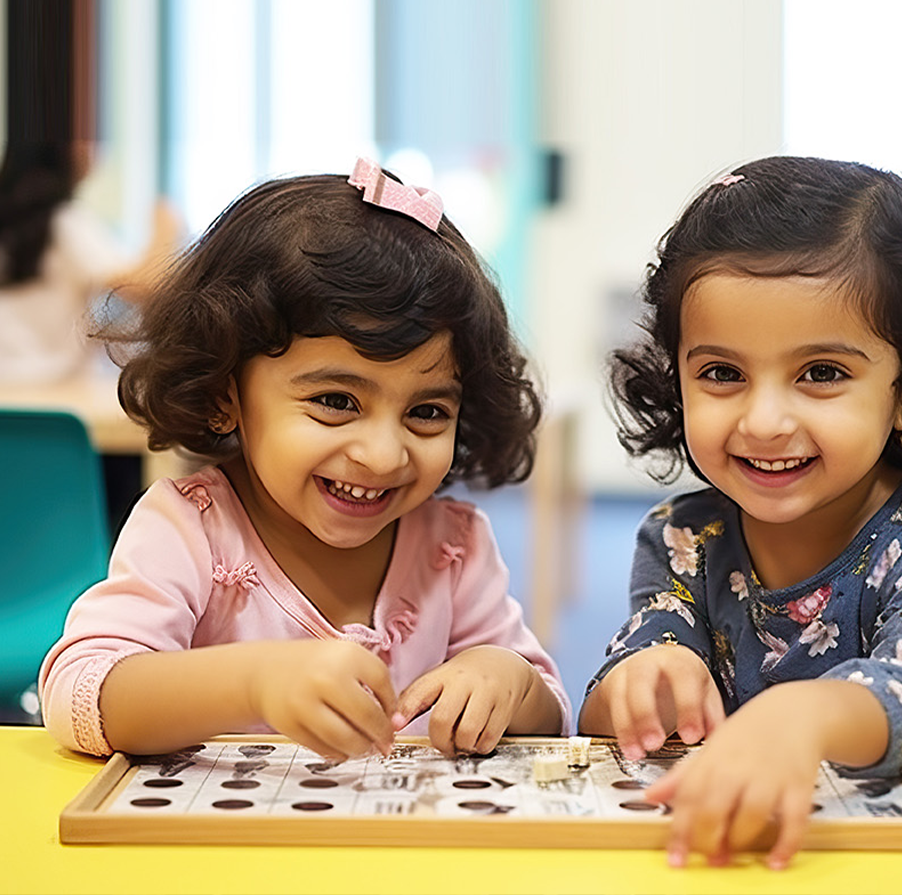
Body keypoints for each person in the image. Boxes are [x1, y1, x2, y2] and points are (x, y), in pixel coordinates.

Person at [578, 156, 902, 869]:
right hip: (760, 854)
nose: (764, 421)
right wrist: (639, 682)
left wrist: (803, 718)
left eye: (821, 373)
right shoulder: (685, 537)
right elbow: (621, 688)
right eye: (722, 373)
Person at [40, 160, 570, 761]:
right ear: (224, 395)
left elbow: (549, 711)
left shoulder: (454, 546)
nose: (382, 454)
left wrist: (506, 678)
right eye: (336, 402)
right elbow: (80, 694)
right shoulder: (191, 529)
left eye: (426, 412)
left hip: (409, 849)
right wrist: (253, 681)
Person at [0, 141, 179, 385]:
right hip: (52, 396)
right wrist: (167, 227)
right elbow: (142, 287)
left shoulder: (22, 224)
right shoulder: (65, 223)